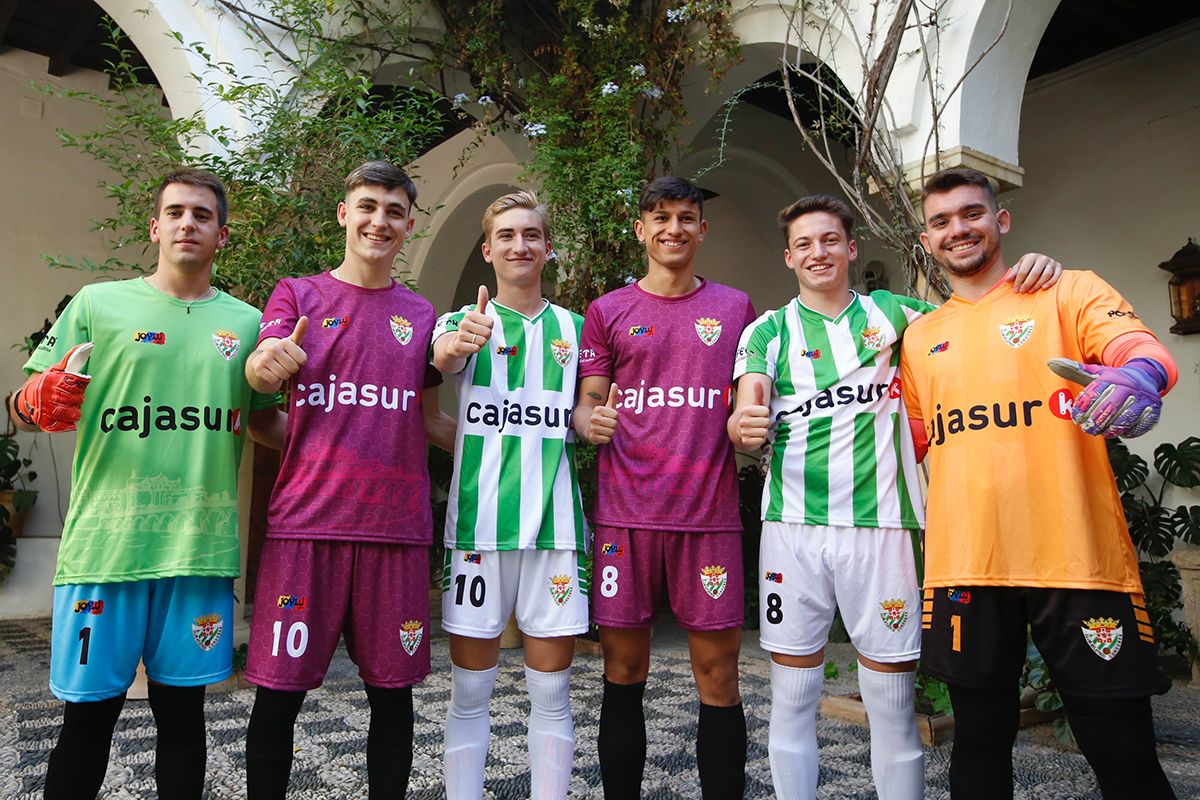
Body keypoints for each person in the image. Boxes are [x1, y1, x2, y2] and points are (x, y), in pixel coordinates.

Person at [727, 194, 1062, 800]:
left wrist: (1029, 276)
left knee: (891, 700)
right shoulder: (766, 331)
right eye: (804, 244)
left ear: (851, 249)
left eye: (829, 240)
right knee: (793, 695)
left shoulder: (898, 314)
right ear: (788, 258)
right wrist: (743, 423)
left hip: (885, 527)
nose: (818, 252)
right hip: (792, 530)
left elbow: (974, 317)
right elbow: (746, 404)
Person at [901, 167, 1178, 799]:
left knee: (1123, 751)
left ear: (1002, 220)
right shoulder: (920, 337)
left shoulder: (1068, 290)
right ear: (926, 241)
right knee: (977, 749)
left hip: (1077, 563)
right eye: (941, 221)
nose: (957, 229)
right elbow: (910, 442)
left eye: (972, 213)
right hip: (967, 569)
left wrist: (1136, 376)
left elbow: (1142, 350)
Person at [10, 168, 283, 800]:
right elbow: (27, 404)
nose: (189, 223)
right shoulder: (98, 304)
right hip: (106, 550)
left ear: (222, 234)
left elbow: (262, 420)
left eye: (204, 216)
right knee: (87, 720)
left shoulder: (248, 324)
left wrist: (333, 448)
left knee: (184, 723)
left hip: (198, 550)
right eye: (177, 213)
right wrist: (40, 398)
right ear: (156, 227)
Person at [242, 160, 454, 799]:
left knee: (392, 700)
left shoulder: (422, 316)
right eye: (366, 207)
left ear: (409, 225)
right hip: (306, 529)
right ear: (343, 214)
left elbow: (430, 423)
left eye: (393, 212)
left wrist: (522, 447)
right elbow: (261, 387)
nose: (378, 221)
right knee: (278, 701)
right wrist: (264, 366)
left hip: (395, 532)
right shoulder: (297, 295)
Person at [574, 175, 756, 799]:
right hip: (626, 517)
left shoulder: (735, 309)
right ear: (641, 230)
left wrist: (749, 428)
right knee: (623, 670)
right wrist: (589, 422)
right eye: (660, 217)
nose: (672, 229)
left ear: (702, 230)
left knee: (720, 675)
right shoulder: (608, 311)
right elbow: (587, 406)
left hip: (708, 519)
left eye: (685, 217)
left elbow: (745, 403)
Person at [432, 190, 588, 799]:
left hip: (555, 531)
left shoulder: (576, 329)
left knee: (552, 691)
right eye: (506, 235)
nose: (519, 245)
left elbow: (588, 410)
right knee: (470, 692)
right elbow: (440, 361)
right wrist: (456, 344)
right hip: (477, 528)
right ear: (487, 248)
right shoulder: (462, 322)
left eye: (531, 234)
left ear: (547, 247)